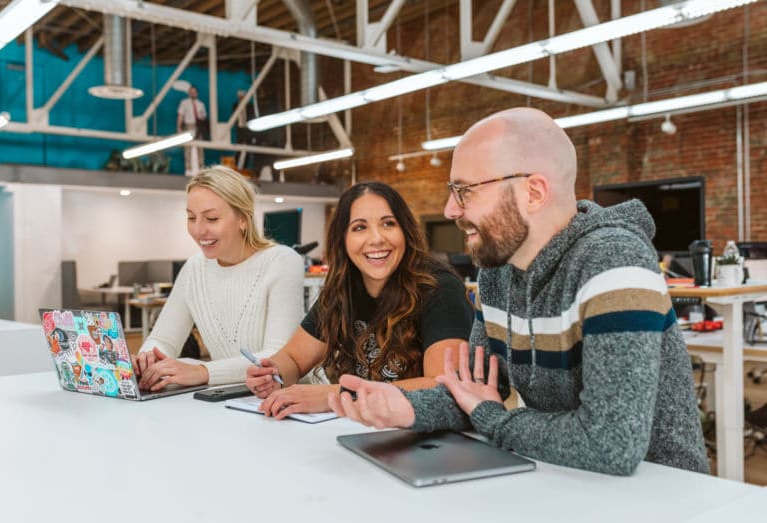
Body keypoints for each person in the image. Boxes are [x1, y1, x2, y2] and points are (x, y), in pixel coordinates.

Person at [329, 108, 709, 476]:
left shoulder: (613, 258)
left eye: (464, 191)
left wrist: (495, 419)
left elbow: (610, 443)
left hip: (660, 495)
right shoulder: (497, 273)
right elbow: (474, 391)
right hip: (563, 479)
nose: (450, 210)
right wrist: (403, 406)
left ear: (534, 192)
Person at [246, 182, 474, 419]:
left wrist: (337, 396)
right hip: (364, 433)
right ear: (343, 239)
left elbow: (443, 388)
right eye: (359, 227)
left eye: (388, 224)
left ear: (405, 232)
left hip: (429, 440)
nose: (376, 239)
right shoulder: (342, 290)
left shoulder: (438, 287)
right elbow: (293, 358)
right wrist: (273, 375)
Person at [134, 165, 304, 391]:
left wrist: (203, 371)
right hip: (234, 399)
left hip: (294, 400)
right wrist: (148, 359)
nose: (198, 230)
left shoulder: (282, 261)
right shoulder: (195, 268)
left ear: (243, 218)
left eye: (212, 219)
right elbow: (164, 340)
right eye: (191, 218)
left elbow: (277, 357)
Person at [176, 84, 207, 175]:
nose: (193, 94)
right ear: (189, 93)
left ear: (197, 93)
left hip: (199, 127)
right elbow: (180, 115)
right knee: (188, 148)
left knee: (200, 147)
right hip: (188, 126)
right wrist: (179, 127)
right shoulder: (184, 102)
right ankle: (188, 168)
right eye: (191, 92)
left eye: (194, 92)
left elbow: (204, 117)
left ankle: (201, 169)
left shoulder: (201, 104)